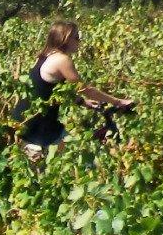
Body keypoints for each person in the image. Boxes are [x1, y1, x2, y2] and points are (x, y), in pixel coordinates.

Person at [20, 20, 134, 156]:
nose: (79, 41)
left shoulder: (45, 56)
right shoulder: (62, 60)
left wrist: (83, 102)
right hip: (40, 127)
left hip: (27, 119)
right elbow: (85, 89)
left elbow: (55, 89)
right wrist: (118, 102)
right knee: (82, 156)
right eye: (76, 37)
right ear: (66, 39)